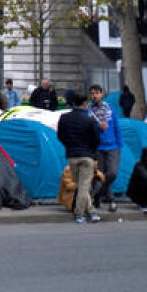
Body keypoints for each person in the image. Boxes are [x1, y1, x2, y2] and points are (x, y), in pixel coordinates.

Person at [57, 90, 102, 224]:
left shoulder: (64, 118)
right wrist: (93, 154)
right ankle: (79, 214)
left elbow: (60, 136)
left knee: (81, 185)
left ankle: (92, 212)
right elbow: (96, 139)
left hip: (72, 155)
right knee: (84, 186)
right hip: (87, 156)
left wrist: (69, 146)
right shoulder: (90, 120)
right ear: (85, 103)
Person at [87, 84, 122, 211]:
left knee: (112, 172)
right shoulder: (89, 111)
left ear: (102, 94)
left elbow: (116, 126)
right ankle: (111, 200)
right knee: (100, 174)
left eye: (97, 93)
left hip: (113, 146)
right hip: (98, 148)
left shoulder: (110, 108)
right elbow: (88, 130)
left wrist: (119, 144)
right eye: (92, 93)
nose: (94, 95)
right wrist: (97, 127)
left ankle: (96, 194)